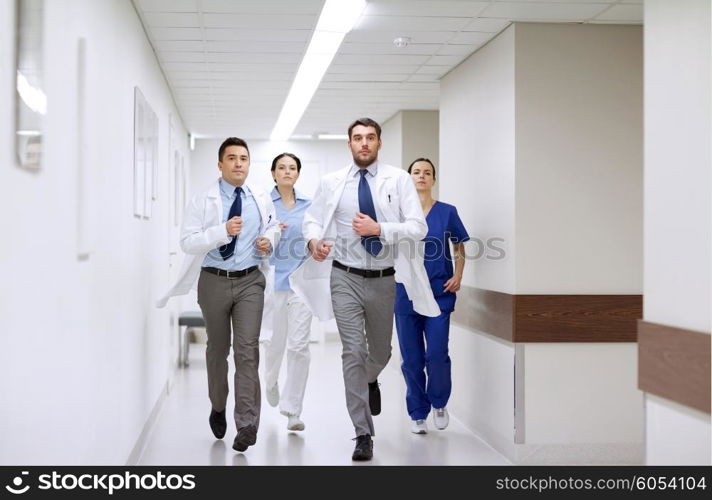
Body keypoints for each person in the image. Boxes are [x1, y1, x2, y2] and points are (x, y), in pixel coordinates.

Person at [290, 118, 439, 461]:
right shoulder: (332, 183)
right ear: (349, 144)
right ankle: (362, 432)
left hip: (385, 278)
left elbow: (418, 227)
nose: (364, 143)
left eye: (370, 138)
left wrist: (380, 228)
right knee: (352, 352)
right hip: (344, 276)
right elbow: (312, 219)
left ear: (379, 143)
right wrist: (314, 241)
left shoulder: (399, 180)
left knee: (382, 353)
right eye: (358, 138)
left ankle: (370, 379)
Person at [157, 137, 279, 453]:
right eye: (232, 158)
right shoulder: (203, 200)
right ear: (220, 164)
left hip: (251, 280)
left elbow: (274, 227)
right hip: (213, 281)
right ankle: (218, 404)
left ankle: (247, 423)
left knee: (247, 350)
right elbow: (188, 241)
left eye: (244, 158)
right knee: (217, 350)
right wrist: (223, 231)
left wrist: (269, 240)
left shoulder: (260, 198)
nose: (239, 163)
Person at [395, 158, 469, 435]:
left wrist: (459, 275)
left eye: (427, 173)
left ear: (434, 179)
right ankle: (418, 412)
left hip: (439, 292)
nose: (422, 176)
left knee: (436, 353)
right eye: (416, 172)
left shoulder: (447, 212)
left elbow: (459, 246)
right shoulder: (399, 214)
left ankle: (439, 402)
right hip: (406, 295)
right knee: (411, 358)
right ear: (409, 178)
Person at [263, 153, 313, 432]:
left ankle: (293, 409)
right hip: (272, 283)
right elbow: (255, 239)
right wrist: (270, 234)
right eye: (281, 168)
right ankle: (270, 380)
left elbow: (316, 235)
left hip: (300, 284)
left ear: (298, 173)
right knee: (273, 344)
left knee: (299, 346)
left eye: (292, 168)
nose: (287, 172)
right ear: (273, 173)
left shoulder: (309, 205)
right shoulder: (263, 204)